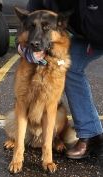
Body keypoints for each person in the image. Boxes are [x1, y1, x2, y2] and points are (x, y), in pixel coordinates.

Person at [26, 0, 103, 159]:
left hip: (98, 33)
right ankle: (91, 134)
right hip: (87, 36)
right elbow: (29, 22)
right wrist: (26, 50)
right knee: (69, 67)